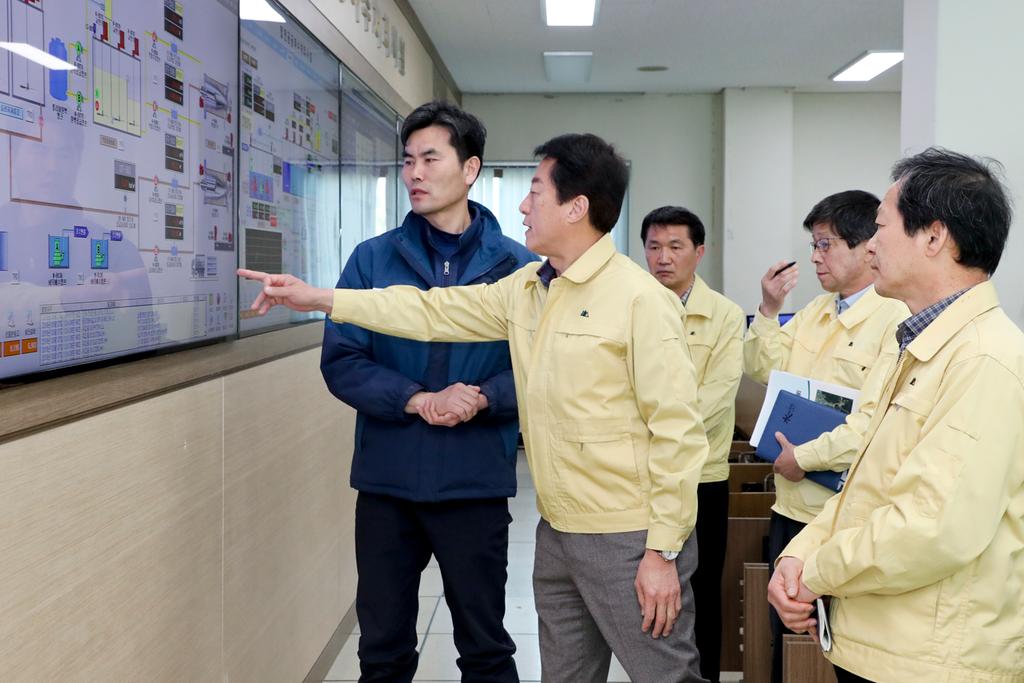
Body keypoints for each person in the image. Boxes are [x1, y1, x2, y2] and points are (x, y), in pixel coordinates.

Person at [240, 133, 709, 683]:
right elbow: (431, 311)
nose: (522, 205)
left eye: (535, 192)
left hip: (627, 536)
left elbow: (679, 433)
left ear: (577, 207)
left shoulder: (639, 299)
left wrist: (663, 552)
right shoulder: (529, 288)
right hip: (557, 530)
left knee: (665, 676)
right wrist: (320, 297)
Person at [768, 147, 1024, 682]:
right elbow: (864, 483)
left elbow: (934, 525)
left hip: (932, 660)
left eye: (882, 227)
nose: (872, 243)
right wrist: (799, 555)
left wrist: (814, 572)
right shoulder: (916, 342)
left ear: (934, 237)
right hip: (879, 640)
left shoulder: (985, 358)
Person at [320, 101, 536, 682]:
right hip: (389, 480)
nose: (414, 172)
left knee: (485, 647)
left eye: (430, 158)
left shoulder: (520, 269)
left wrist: (483, 396)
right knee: (383, 648)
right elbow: (342, 359)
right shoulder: (371, 259)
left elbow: (544, 370)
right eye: (408, 160)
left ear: (469, 169)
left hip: (474, 480)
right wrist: (419, 399)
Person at [742, 189, 909, 683]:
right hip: (791, 508)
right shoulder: (816, 310)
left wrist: (806, 457)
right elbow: (762, 371)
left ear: (865, 247)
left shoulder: (893, 318)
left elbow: (876, 422)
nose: (815, 257)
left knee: (834, 646)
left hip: (844, 517)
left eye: (825, 245)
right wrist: (769, 310)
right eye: (812, 245)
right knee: (786, 640)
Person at [642, 206, 743, 683]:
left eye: (675, 246)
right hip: (642, 477)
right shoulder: (634, 305)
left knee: (699, 590)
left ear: (698, 252)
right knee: (647, 591)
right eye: (654, 246)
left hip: (702, 477)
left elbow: (716, 400)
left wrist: (654, 435)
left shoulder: (723, 315)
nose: (663, 257)